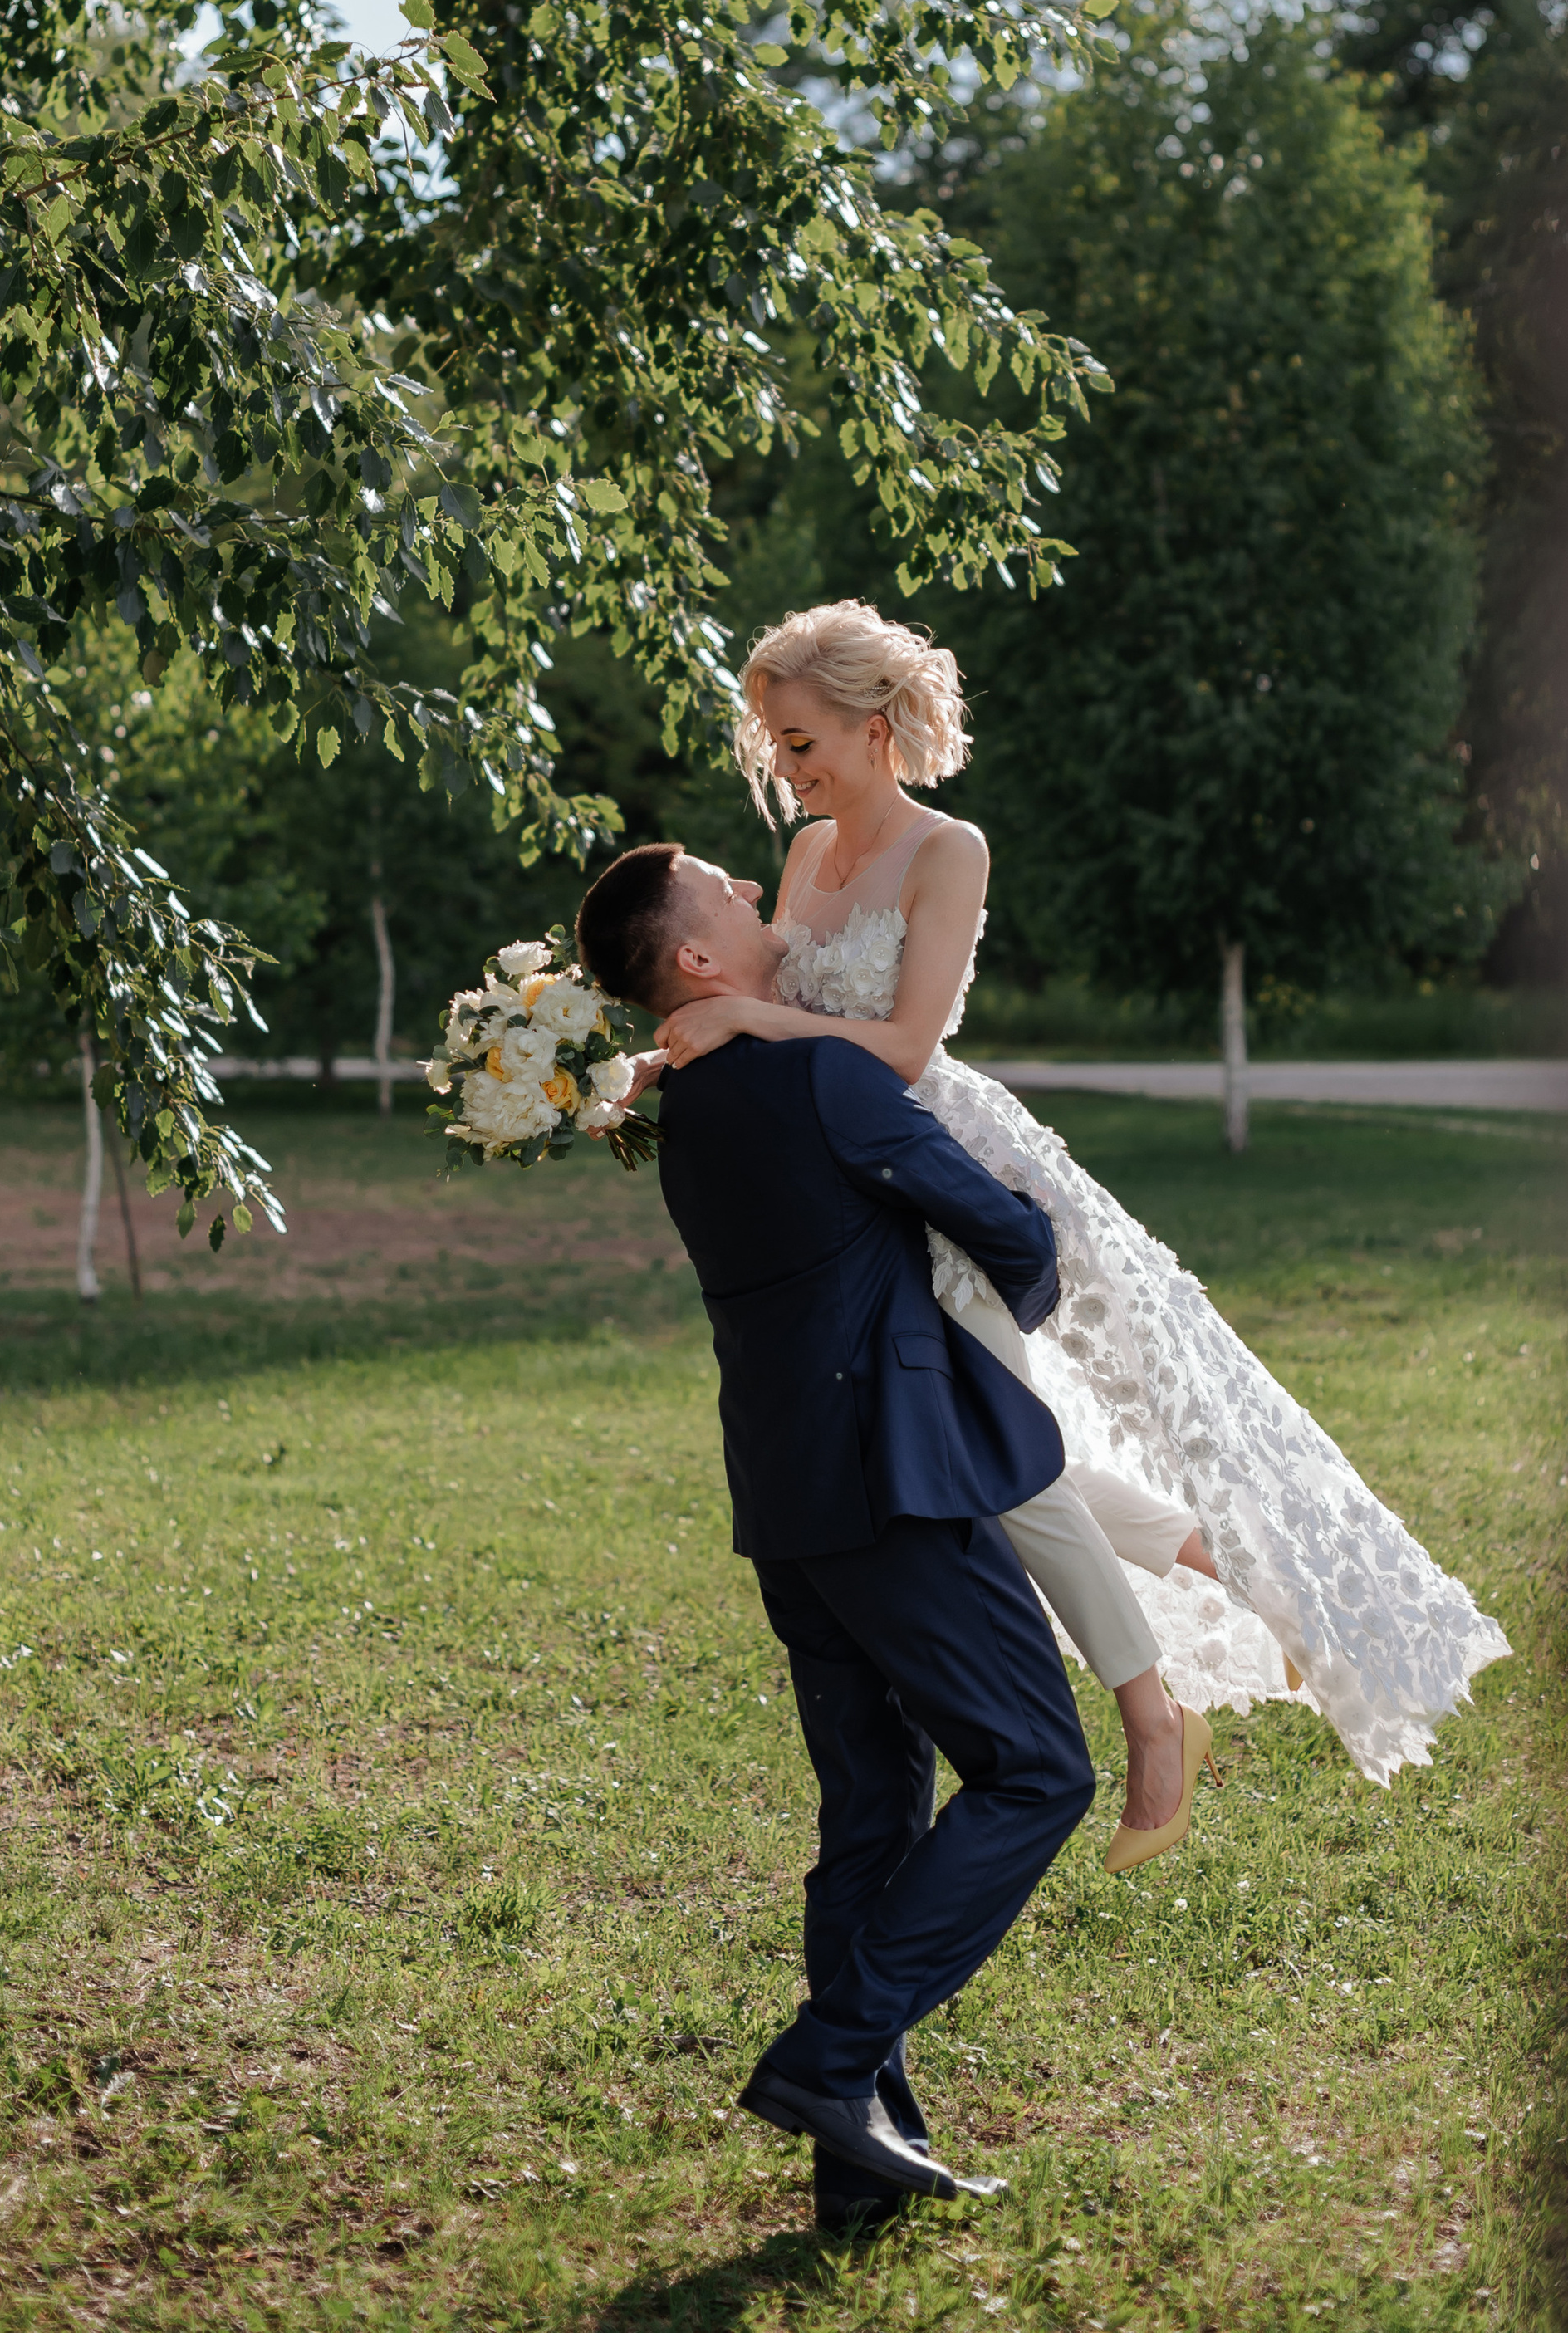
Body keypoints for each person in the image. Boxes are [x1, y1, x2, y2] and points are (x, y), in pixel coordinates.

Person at [649, 600, 1512, 1790]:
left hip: (940, 1162)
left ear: (874, 724)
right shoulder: (803, 856)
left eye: (801, 742)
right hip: (849, 1193)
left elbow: (899, 1045)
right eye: (774, 745)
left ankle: (1156, 1713)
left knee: (1002, 1449)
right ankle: (1226, 1584)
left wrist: (748, 1012)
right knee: (993, 1445)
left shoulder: (950, 849)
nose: (785, 770)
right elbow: (767, 1013)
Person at [576, 838, 1111, 2232]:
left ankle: (855, 2173)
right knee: (1037, 1768)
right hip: (893, 1482)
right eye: (725, 890)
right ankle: (829, 2058)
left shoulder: (687, 1114)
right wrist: (1033, 1251)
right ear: (696, 958)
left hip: (786, 1496)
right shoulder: (822, 1075)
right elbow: (1006, 1233)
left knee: (871, 1815)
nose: (758, 892)